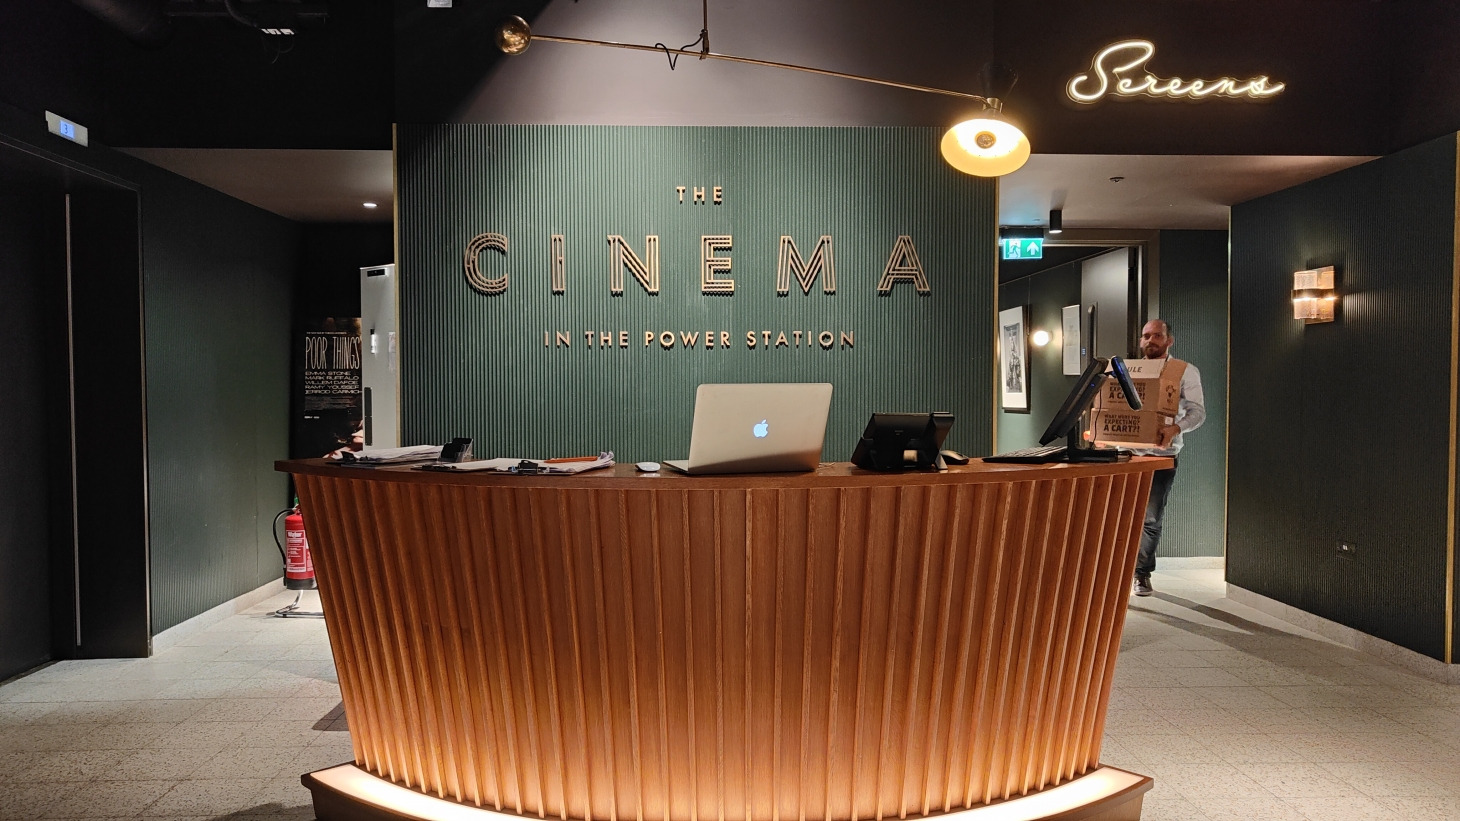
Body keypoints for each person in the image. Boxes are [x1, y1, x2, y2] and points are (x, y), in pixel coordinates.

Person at [1129, 319, 1205, 597]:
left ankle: (1142, 573)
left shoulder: (1184, 371)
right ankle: (1116, 573)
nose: (1150, 340)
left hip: (1161, 455)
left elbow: (1198, 412)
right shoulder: (1127, 371)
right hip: (1126, 454)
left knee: (1150, 517)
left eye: (1157, 336)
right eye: (1146, 336)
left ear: (1169, 340)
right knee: (1119, 515)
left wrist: (1176, 429)